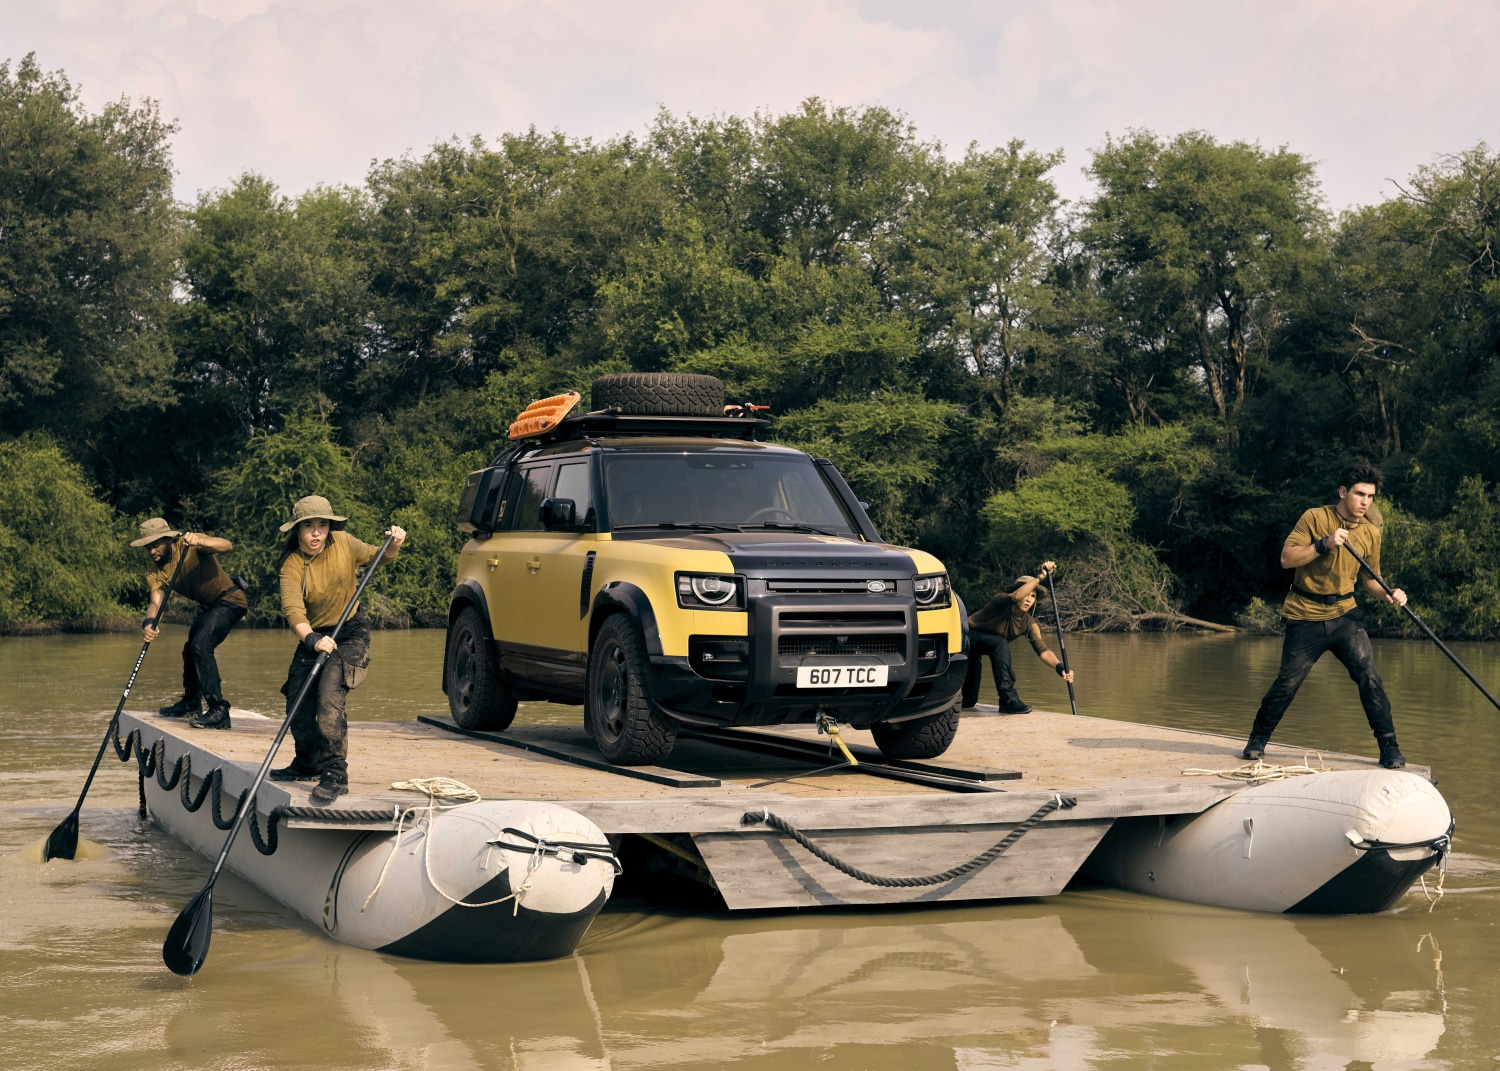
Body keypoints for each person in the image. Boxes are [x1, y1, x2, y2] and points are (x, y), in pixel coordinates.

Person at [1242, 462, 1409, 769]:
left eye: (1371, 497)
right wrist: (1325, 543)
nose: (1365, 502)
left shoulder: (1371, 532)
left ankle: (1390, 748)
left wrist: (1390, 594)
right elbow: (1286, 558)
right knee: (1287, 683)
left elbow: (1371, 579)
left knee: (1369, 677)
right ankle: (1257, 741)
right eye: (1359, 494)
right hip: (1305, 614)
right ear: (1343, 492)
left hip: (1345, 616)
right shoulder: (1314, 517)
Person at [269, 495, 405, 803]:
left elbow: (380, 556)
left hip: (350, 633)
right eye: (309, 527)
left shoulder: (343, 542)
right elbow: (294, 613)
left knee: (328, 697)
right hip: (313, 636)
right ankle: (308, 763)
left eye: (322, 526)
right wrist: (313, 640)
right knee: (297, 706)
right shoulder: (291, 565)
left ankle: (334, 774)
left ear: (330, 527)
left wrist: (394, 542)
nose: (316, 534)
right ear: (298, 531)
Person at [133, 518, 248, 731]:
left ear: (169, 540)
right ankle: (191, 703)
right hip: (209, 606)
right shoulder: (155, 573)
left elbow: (226, 545)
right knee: (189, 650)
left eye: (156, 545)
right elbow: (155, 603)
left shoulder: (191, 546)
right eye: (148, 547)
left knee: (201, 645)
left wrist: (201, 542)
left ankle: (219, 710)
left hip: (230, 600)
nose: (152, 551)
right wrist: (149, 623)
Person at [962, 563, 1076, 714]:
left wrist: (1060, 667)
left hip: (978, 650)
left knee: (968, 701)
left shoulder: (1028, 622)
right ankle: (1008, 700)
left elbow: (1042, 650)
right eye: (1027, 594)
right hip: (964, 637)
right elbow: (1016, 596)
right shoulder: (1001, 601)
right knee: (1000, 642)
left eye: (1033, 596)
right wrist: (1041, 577)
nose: (1029, 599)